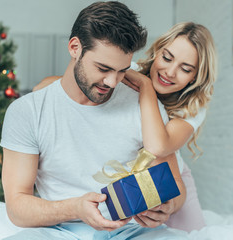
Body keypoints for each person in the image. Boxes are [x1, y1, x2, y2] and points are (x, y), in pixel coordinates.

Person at [1, 1, 187, 239]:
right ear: (75, 47)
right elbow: (17, 208)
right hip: (61, 230)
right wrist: (74, 208)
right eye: (103, 68)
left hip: (133, 231)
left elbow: (177, 188)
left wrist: (168, 206)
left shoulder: (144, 106)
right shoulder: (28, 111)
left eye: (122, 71)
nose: (112, 82)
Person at [34, 22, 217, 232]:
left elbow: (157, 146)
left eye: (185, 69)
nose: (170, 72)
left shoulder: (192, 106)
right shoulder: (129, 71)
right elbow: (44, 87)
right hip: (128, 170)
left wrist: (145, 86)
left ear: (195, 76)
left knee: (196, 234)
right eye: (167, 58)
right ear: (157, 51)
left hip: (170, 175)